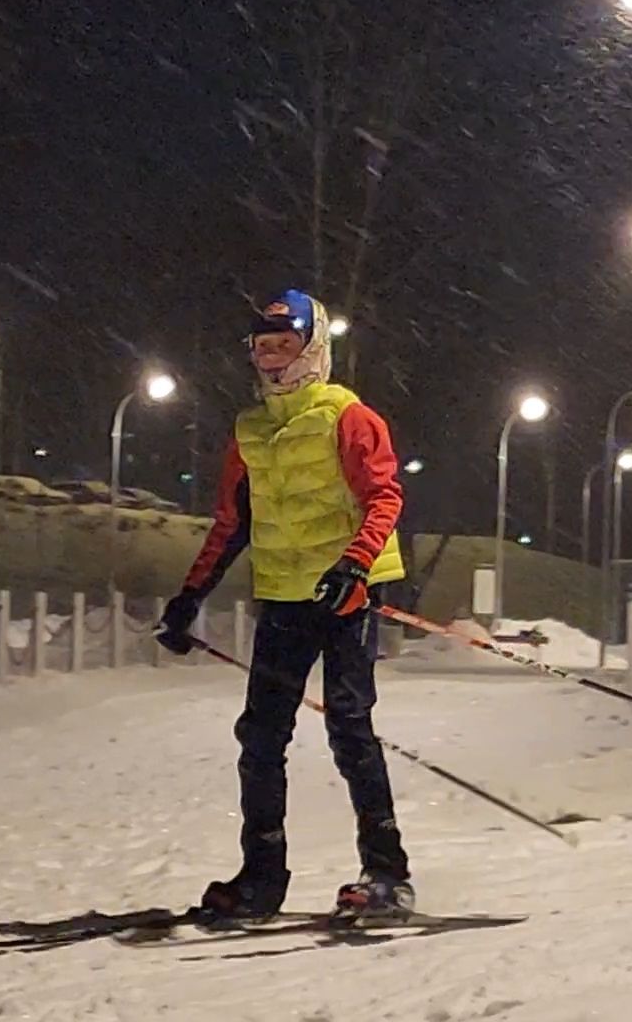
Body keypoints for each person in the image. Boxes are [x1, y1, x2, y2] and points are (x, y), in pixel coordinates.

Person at [157, 289, 412, 920]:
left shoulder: (348, 416)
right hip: (283, 597)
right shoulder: (249, 430)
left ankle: (387, 874)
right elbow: (230, 524)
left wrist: (354, 566)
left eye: (285, 344)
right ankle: (261, 878)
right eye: (263, 347)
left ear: (314, 347)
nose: (272, 359)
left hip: (347, 593)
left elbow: (385, 498)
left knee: (349, 726)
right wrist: (190, 598)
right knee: (261, 736)